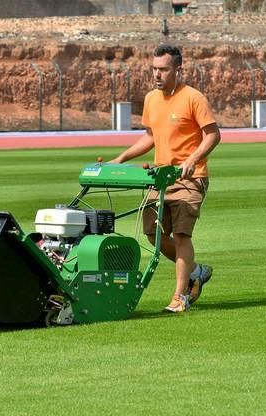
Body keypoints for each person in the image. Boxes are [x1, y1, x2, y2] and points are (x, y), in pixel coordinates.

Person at [109, 44, 221, 313]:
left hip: (189, 179)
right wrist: (121, 158)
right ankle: (196, 271)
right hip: (160, 178)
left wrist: (192, 160)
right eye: (154, 69)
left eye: (163, 69)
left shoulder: (194, 98)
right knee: (153, 235)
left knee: (181, 235)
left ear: (178, 70)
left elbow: (213, 134)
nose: (157, 74)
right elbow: (151, 136)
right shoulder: (151, 99)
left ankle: (179, 296)